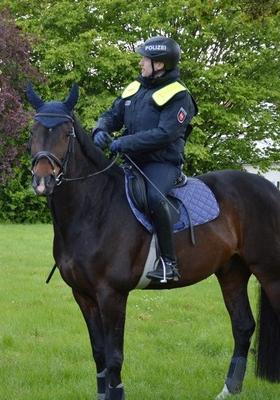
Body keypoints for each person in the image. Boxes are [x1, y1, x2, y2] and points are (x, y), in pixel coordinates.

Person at [91, 35, 197, 282]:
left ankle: (168, 264)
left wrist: (124, 142)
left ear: (159, 65)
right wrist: (100, 129)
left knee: (154, 198)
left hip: (162, 162)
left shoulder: (179, 95)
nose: (140, 63)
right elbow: (111, 114)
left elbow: (165, 134)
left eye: (145, 59)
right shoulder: (135, 88)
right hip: (132, 161)